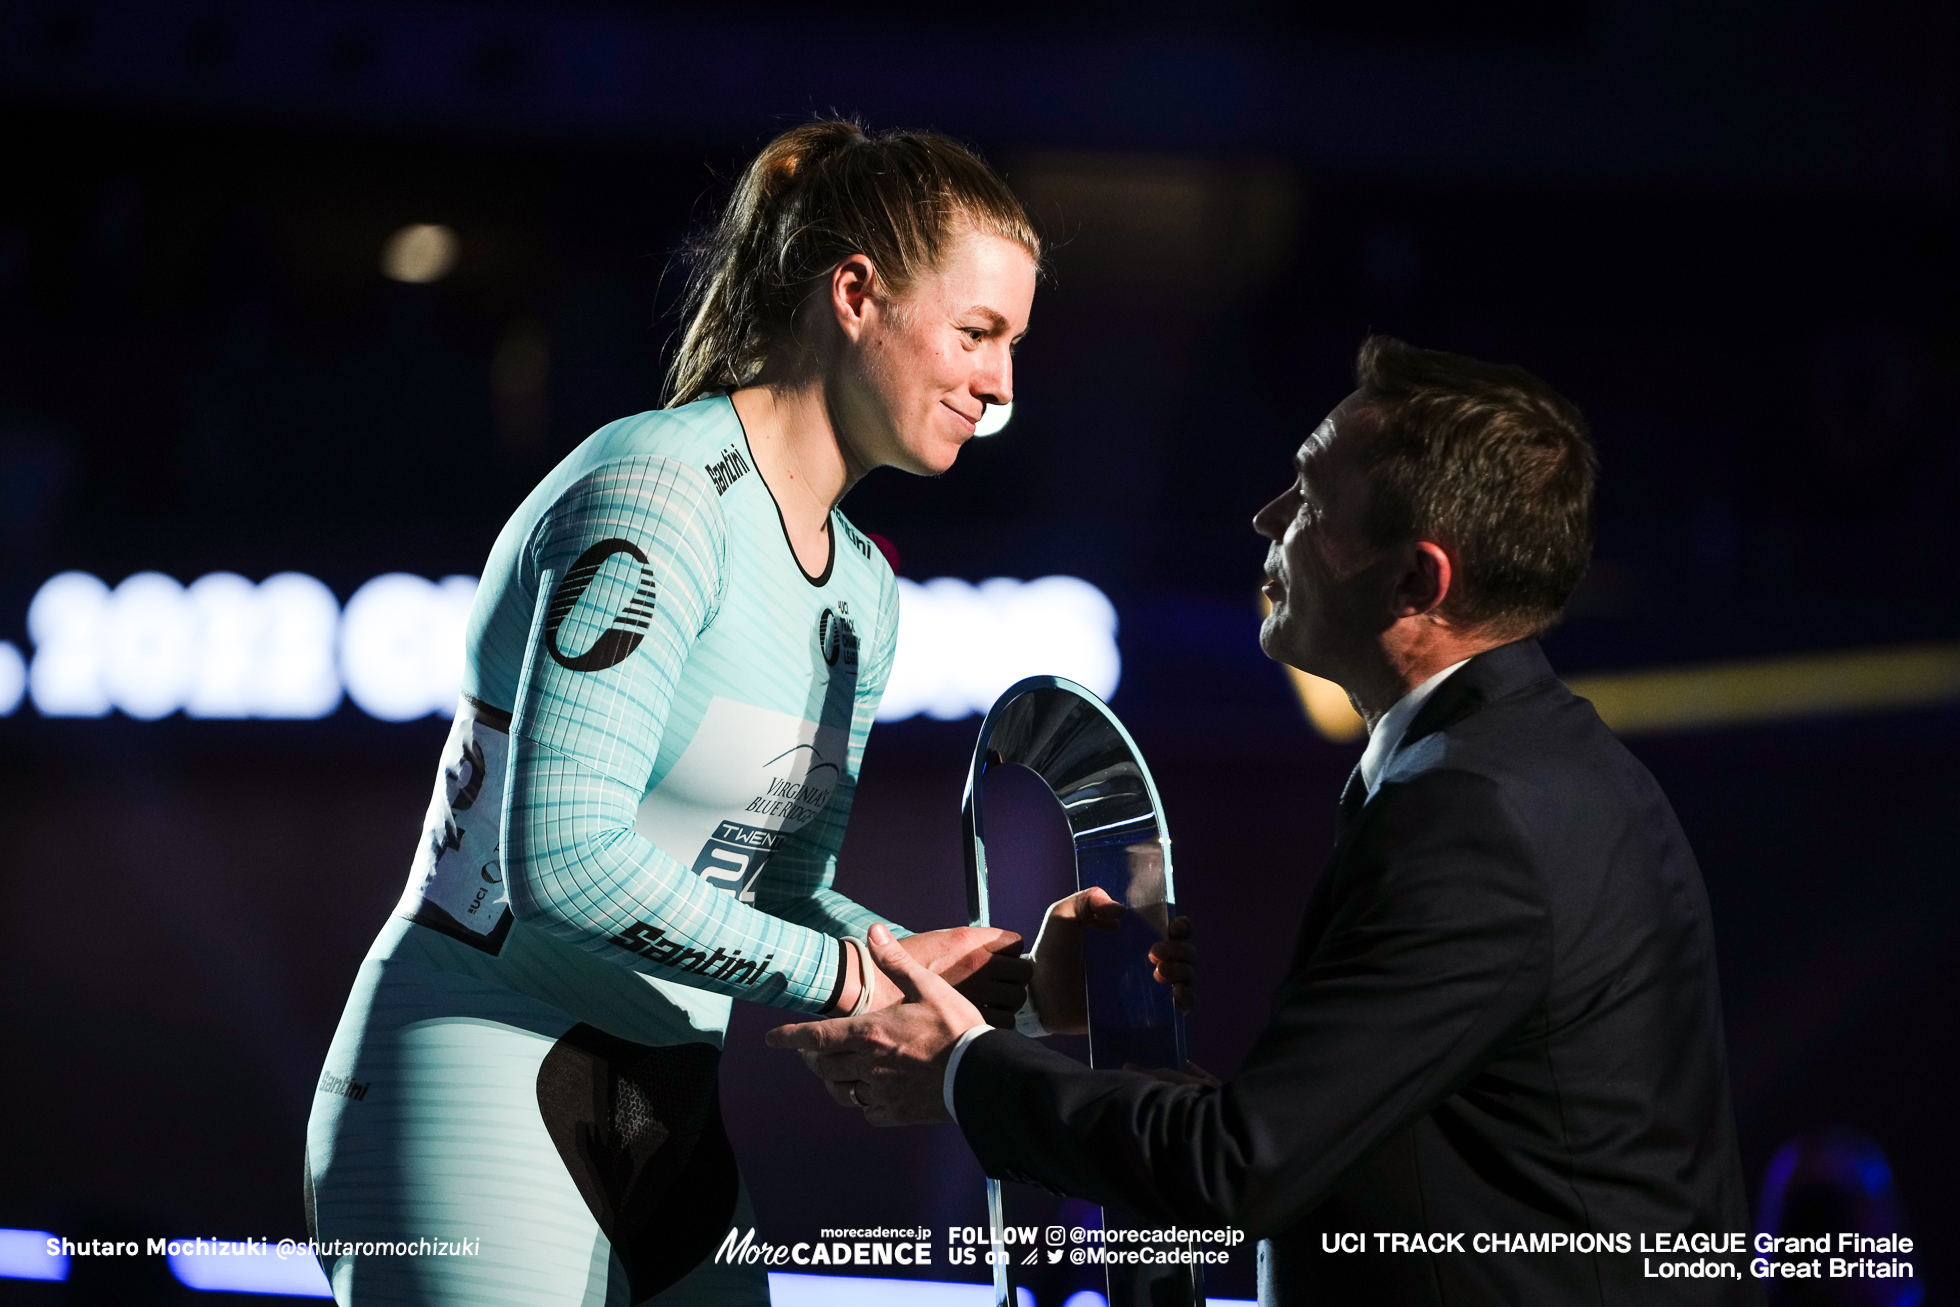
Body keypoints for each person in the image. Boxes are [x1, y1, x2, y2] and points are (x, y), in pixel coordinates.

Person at [304, 119, 1186, 1307]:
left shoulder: (863, 587)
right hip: (469, 1070)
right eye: (977, 333)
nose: (1000, 384)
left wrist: (987, 981)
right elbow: (561, 861)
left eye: (1014, 343)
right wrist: (849, 980)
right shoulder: (660, 489)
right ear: (856, 294)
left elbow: (765, 890)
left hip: (665, 1109)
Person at [770, 336, 1761, 1305]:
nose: (1263, 518)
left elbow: (1239, 1165)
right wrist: (1095, 1036)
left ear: (1419, 582)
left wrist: (965, 1069)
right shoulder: (1517, 766)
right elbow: (1380, 1143)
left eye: (1309, 499)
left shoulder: (1476, 810)